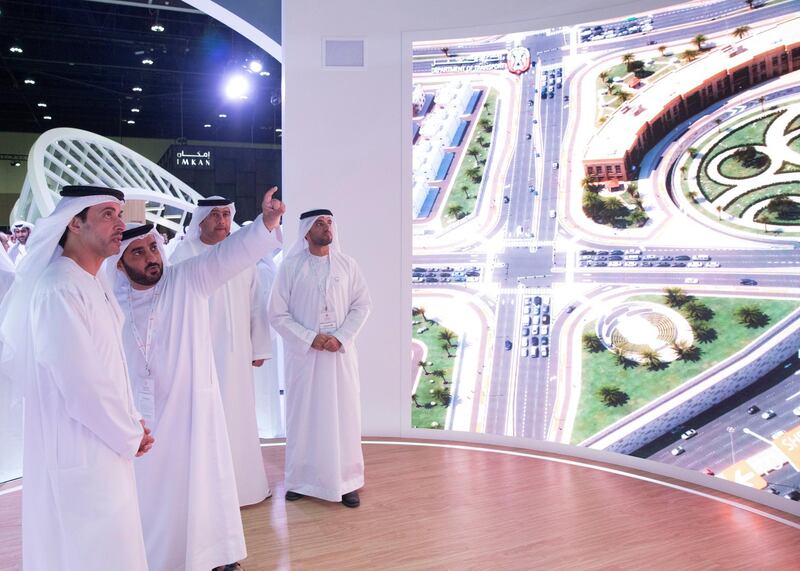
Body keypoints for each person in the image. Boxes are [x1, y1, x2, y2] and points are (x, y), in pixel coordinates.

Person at [107, 187, 284, 571]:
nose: (151, 258)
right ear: (119, 264)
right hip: (143, 418)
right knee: (154, 495)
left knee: (204, 484)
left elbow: (229, 256)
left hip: (191, 410)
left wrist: (265, 222)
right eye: (138, 252)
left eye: (153, 248)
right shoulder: (110, 305)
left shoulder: (186, 280)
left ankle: (216, 557)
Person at [0, 185, 154, 571]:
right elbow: (81, 384)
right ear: (74, 222)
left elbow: (109, 368)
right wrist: (130, 433)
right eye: (107, 214)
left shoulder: (89, 281)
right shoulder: (58, 288)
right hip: (81, 449)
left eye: (120, 214)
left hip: (105, 443)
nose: (121, 223)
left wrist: (131, 419)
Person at [170, 196, 272, 505]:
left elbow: (256, 303)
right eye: (214, 214)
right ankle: (206, 494)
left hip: (237, 353)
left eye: (226, 214)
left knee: (239, 416)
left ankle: (245, 487)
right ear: (199, 220)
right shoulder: (183, 255)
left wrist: (259, 346)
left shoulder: (242, 258)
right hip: (198, 354)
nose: (221, 221)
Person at [268, 209, 371, 508]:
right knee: (304, 417)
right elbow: (276, 313)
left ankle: (347, 481)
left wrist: (340, 337)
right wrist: (310, 338)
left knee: (344, 417)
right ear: (305, 232)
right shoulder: (290, 267)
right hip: (305, 359)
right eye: (319, 223)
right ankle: (301, 479)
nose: (326, 228)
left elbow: (362, 306)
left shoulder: (347, 265)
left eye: (329, 223)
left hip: (339, 356)